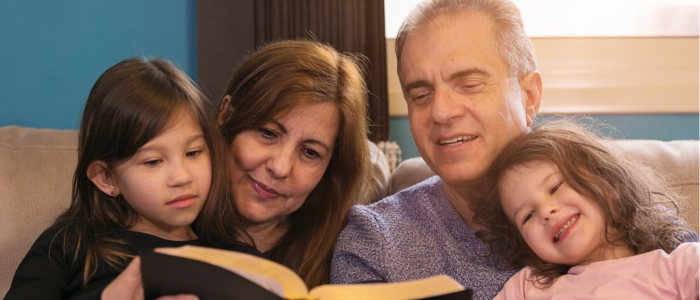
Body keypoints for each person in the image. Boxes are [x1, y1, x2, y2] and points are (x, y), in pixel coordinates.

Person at [330, 0, 542, 298]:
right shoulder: (375, 245)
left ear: (529, 97)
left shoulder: (601, 208)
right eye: (420, 95)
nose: (441, 112)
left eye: (469, 84)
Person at [5, 58, 260, 300]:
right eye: (153, 161)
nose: (182, 177)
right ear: (106, 178)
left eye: (193, 153)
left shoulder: (238, 259)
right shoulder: (71, 243)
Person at [472, 120, 698, 299]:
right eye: (527, 216)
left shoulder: (680, 266)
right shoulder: (527, 286)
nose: (546, 211)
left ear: (609, 182)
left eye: (555, 187)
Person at [216, 40, 372, 288]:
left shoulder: (353, 255)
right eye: (268, 133)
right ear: (226, 116)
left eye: (310, 152)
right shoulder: (155, 224)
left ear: (330, 168)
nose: (280, 168)